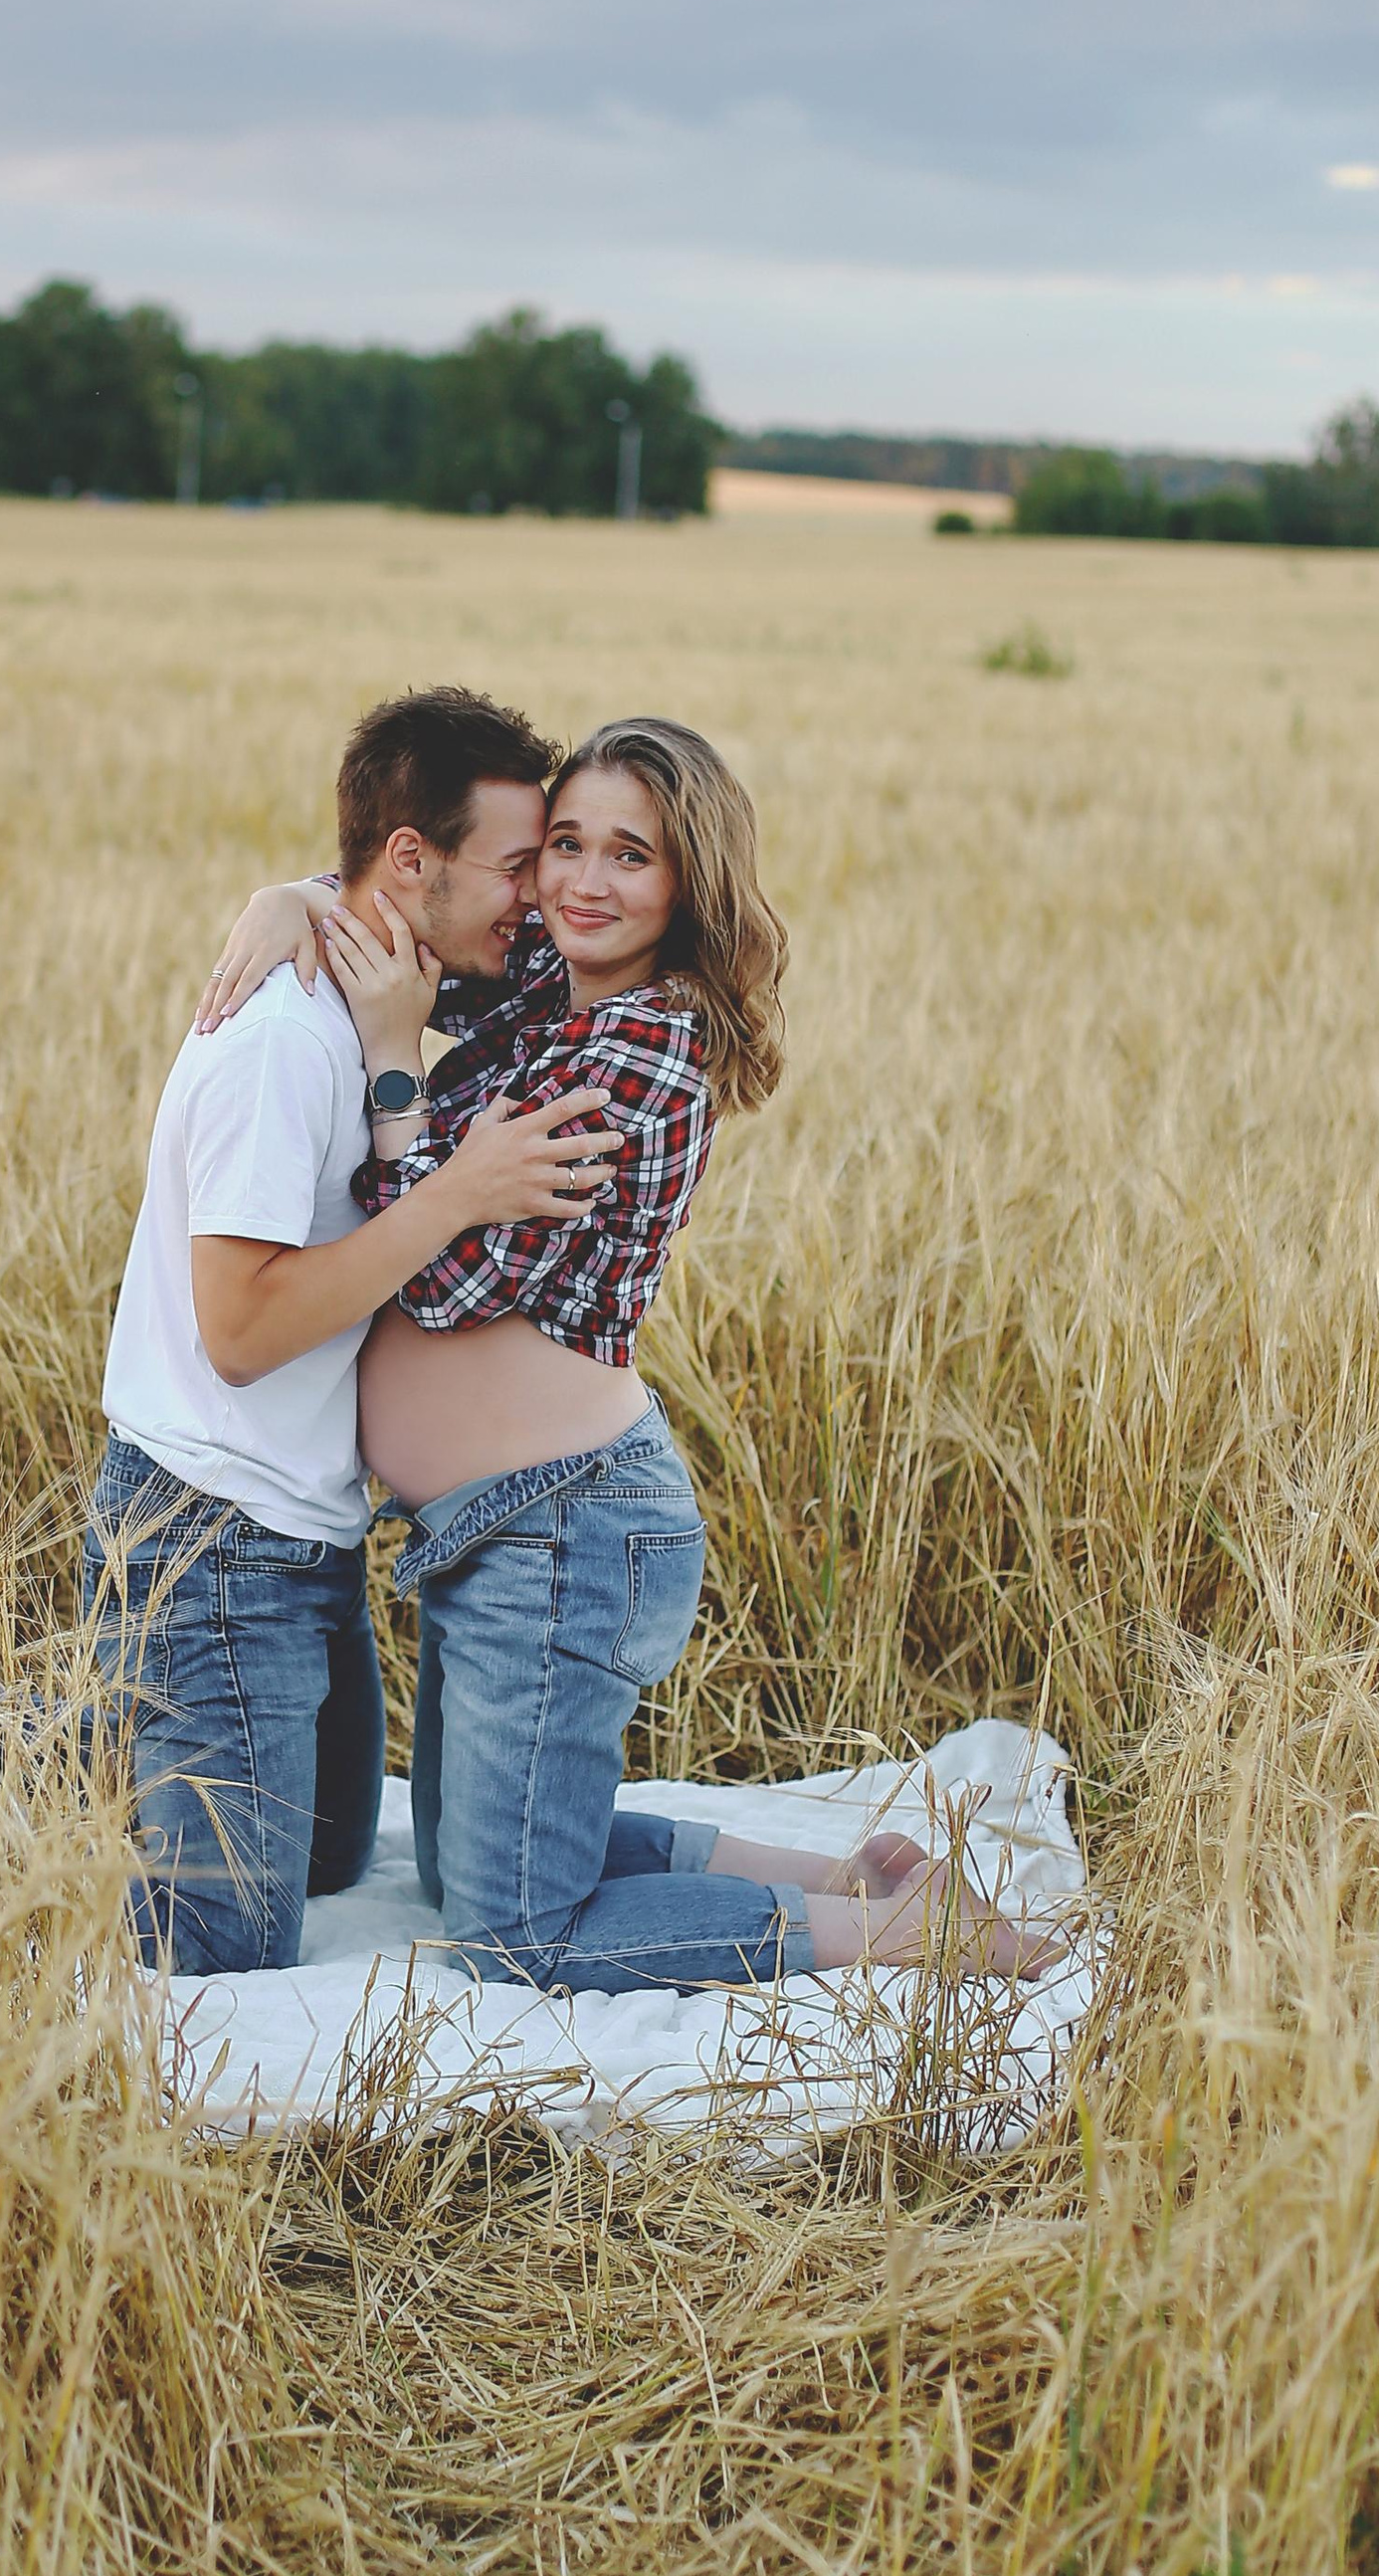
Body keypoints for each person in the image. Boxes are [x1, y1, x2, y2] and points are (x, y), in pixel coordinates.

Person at [205, 716, 1059, 1988]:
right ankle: (847, 1873)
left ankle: (897, 1937)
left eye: (630, 856)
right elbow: (416, 909)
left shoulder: (641, 1050)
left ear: (686, 886)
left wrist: (394, 1066)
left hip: (566, 1532)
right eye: (560, 846)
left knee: (512, 1934)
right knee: (460, 1864)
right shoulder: (562, 978)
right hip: (499, 1526)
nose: (581, 884)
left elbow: (442, 1285)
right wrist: (292, 899)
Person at [89, 688, 622, 1976]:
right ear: (408, 862)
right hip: (214, 1534)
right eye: (514, 865)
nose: (534, 898)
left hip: (300, 1536)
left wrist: (293, 895)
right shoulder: (284, 1046)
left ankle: (109, 1731)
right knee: (221, 1938)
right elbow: (242, 1328)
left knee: (332, 1854)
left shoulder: (377, 989)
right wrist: (455, 1196)